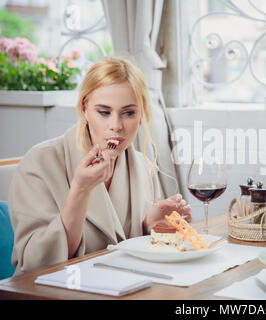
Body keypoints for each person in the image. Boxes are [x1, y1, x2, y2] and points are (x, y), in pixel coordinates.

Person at [8, 56, 190, 275]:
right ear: (85, 108)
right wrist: (80, 190)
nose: (116, 126)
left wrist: (149, 227)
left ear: (141, 114)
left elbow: (130, 251)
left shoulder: (143, 167)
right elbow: (34, 265)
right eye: (104, 112)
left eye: (129, 113)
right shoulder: (38, 164)